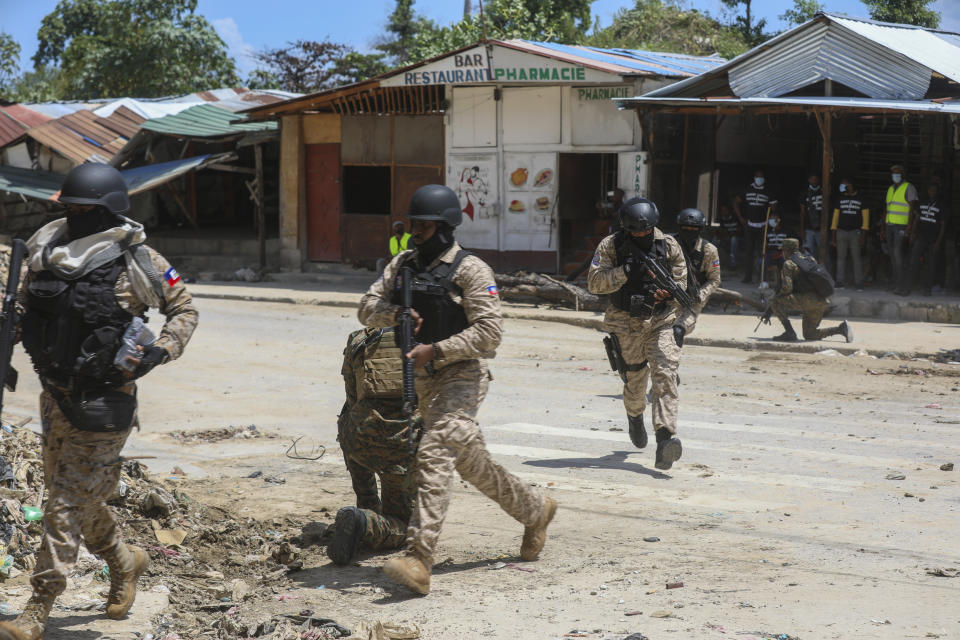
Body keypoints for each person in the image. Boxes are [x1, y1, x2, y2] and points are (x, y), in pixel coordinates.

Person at [0, 164, 198, 640]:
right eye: (69, 206)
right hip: (55, 397)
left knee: (64, 502)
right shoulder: (45, 252)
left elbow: (184, 308)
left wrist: (160, 351)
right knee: (80, 499)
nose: (73, 214)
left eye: (84, 209)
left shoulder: (138, 258)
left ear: (107, 211)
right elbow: (21, 307)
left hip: (107, 401)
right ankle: (126, 562)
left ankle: (38, 607)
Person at [358, 184, 556, 596]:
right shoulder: (403, 264)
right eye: (413, 223)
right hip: (421, 379)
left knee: (433, 452)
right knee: (469, 464)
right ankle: (535, 510)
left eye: (424, 226)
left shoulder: (471, 270)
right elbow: (366, 308)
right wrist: (397, 314)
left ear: (445, 227)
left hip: (461, 375)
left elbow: (490, 333)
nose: (415, 232)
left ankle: (419, 558)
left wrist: (439, 349)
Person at [587, 197, 686, 470]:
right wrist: (625, 272)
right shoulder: (611, 245)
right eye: (636, 232)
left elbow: (681, 282)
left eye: (646, 231)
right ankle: (634, 416)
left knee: (665, 374)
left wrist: (667, 294)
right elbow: (594, 282)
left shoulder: (669, 245)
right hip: (625, 322)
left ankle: (665, 438)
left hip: (660, 320)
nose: (642, 235)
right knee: (635, 381)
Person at [329, 327, 420, 566]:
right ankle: (364, 523)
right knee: (405, 527)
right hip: (398, 450)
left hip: (358, 441)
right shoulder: (429, 343)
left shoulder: (360, 338)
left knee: (351, 417)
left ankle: (366, 505)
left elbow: (352, 396)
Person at [765, 238, 853, 343]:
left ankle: (789, 332)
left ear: (787, 250)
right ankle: (841, 329)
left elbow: (787, 288)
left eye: (783, 250)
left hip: (807, 300)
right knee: (810, 335)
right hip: (821, 300)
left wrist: (777, 297)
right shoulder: (809, 258)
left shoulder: (788, 264)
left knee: (774, 301)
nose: (782, 253)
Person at [673, 208, 721, 335]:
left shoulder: (709, 250)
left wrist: (700, 295)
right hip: (668, 297)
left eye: (693, 229)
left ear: (700, 229)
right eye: (685, 228)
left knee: (678, 330)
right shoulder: (668, 245)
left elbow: (715, 279)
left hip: (692, 300)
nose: (689, 232)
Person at [733, 170, 778, 283]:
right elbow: (736, 202)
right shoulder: (747, 189)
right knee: (749, 251)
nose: (759, 179)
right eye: (758, 177)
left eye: (761, 177)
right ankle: (748, 277)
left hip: (763, 226)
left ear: (764, 179)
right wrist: (740, 217)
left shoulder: (768, 191)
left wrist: (772, 210)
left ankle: (761, 277)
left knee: (762, 252)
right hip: (749, 225)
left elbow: (773, 207)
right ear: (754, 178)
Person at [883, 164, 919, 295]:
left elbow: (912, 209)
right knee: (892, 255)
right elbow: (887, 208)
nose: (895, 175)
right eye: (893, 173)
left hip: (901, 226)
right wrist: (883, 227)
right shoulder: (890, 189)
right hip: (890, 225)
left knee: (899, 255)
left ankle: (902, 285)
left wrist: (909, 227)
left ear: (903, 174)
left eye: (897, 173)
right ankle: (895, 283)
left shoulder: (908, 187)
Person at [907, 182, 948, 296]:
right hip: (920, 236)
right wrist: (913, 233)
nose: (932, 192)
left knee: (931, 265)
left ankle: (927, 289)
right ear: (928, 190)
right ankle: (909, 286)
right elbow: (916, 219)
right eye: (930, 189)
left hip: (933, 239)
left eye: (934, 190)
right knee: (913, 261)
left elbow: (943, 225)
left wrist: (938, 242)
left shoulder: (941, 205)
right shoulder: (922, 202)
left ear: (937, 192)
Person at [831, 178, 869, 289]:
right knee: (840, 257)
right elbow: (835, 219)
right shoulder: (840, 198)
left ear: (852, 185)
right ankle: (839, 281)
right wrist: (833, 236)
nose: (845, 187)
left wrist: (863, 236)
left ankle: (858, 283)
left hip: (855, 232)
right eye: (843, 185)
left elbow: (865, 220)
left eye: (846, 185)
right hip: (841, 231)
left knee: (856, 258)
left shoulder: (861, 199)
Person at [799, 172, 823, 257]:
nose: (814, 181)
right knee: (808, 254)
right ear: (809, 180)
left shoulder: (823, 191)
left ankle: (825, 270)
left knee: (824, 253)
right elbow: (802, 213)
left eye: (815, 179)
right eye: (812, 179)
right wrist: (802, 229)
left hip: (821, 228)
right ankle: (809, 270)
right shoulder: (804, 193)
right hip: (808, 228)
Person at [762, 211, 787, 286]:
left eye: (773, 219)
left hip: (783, 254)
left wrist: (782, 253)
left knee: (786, 263)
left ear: (778, 220)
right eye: (770, 219)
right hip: (771, 254)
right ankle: (764, 282)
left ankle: (785, 282)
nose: (771, 221)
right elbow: (765, 246)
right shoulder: (768, 231)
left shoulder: (786, 231)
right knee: (762, 262)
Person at [716, 203, 742, 271]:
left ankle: (734, 264)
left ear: (729, 210)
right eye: (722, 211)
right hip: (727, 238)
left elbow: (740, 231)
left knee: (734, 239)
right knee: (715, 240)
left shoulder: (735, 217)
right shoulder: (722, 219)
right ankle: (714, 263)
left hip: (737, 239)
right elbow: (721, 231)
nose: (724, 212)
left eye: (725, 210)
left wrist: (732, 233)